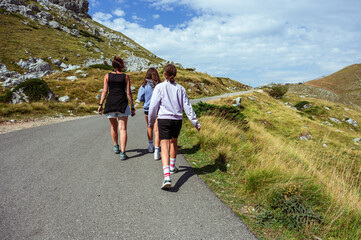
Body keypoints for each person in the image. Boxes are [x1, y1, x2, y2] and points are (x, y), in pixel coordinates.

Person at [148, 64, 201, 190]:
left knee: (164, 146)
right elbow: (187, 107)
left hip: (164, 119)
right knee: (174, 142)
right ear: (175, 74)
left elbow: (153, 106)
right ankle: (172, 166)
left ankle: (167, 176)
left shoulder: (160, 87)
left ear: (164, 74)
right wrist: (196, 123)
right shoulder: (181, 88)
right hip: (177, 120)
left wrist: (151, 121)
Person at [97, 56, 135, 160]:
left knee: (113, 127)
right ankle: (123, 153)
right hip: (122, 103)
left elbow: (105, 91)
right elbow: (128, 93)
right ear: (121, 65)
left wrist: (100, 105)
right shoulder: (126, 77)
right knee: (123, 129)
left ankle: (116, 146)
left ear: (113, 65)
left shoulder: (107, 76)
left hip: (110, 103)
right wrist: (132, 106)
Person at [137, 67, 161, 160]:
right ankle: (157, 150)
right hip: (158, 109)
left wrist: (145, 100)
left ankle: (150, 146)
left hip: (147, 108)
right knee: (157, 129)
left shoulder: (144, 85)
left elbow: (140, 97)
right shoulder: (159, 85)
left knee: (149, 126)